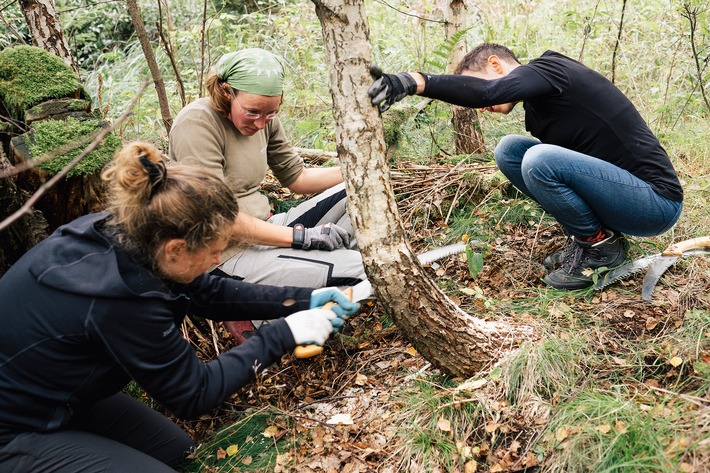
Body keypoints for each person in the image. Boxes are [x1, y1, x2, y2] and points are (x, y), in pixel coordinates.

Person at [0, 141, 359, 472]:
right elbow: (193, 394)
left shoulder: (130, 231)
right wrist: (286, 333)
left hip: (60, 395)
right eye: (214, 251)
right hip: (13, 428)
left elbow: (207, 292)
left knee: (178, 452)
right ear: (175, 249)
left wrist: (301, 301)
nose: (219, 258)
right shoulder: (120, 299)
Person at [368, 43, 683, 290]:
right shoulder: (538, 113)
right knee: (511, 150)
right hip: (622, 200)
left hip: (655, 203)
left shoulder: (549, 69)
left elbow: (491, 92)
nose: (484, 104)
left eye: (473, 85)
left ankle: (601, 249)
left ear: (495, 63)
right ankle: (591, 239)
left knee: (539, 158)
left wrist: (414, 81)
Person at [169, 48, 366, 291]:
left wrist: (362, 172)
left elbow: (298, 177)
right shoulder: (198, 123)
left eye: (271, 113)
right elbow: (217, 218)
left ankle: (326, 269)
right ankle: (260, 317)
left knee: (357, 188)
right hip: (225, 253)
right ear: (226, 91)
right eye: (252, 112)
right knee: (363, 268)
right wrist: (302, 238)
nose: (261, 123)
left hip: (268, 229)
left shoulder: (265, 119)